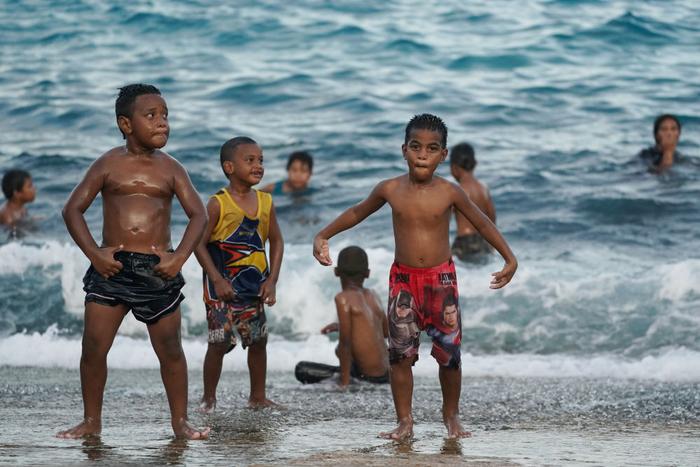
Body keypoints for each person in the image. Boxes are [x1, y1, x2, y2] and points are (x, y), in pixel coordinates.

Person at [313, 114, 517, 440]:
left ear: (443, 155)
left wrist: (509, 257)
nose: (423, 154)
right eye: (416, 147)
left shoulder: (451, 192)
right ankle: (405, 422)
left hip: (442, 281)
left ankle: (451, 416)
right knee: (400, 356)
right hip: (403, 283)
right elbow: (356, 211)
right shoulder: (390, 189)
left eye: (432, 148)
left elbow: (482, 223)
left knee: (449, 356)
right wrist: (324, 234)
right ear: (404, 150)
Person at [57, 84, 210, 440]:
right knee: (93, 347)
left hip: (158, 270)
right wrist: (95, 254)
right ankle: (91, 422)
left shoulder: (172, 169)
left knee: (171, 351)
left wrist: (178, 258)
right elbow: (72, 210)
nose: (162, 123)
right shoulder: (108, 164)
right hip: (111, 268)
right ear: (126, 124)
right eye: (152, 116)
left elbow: (199, 215)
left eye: (166, 115)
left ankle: (180, 423)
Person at [195, 136, 283, 413]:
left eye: (261, 160)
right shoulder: (217, 204)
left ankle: (257, 396)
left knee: (258, 341)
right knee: (219, 342)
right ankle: (208, 399)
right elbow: (197, 243)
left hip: (253, 288)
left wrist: (272, 280)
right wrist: (217, 280)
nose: (258, 166)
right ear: (229, 167)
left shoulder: (266, 201)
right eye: (250, 160)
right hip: (221, 291)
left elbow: (277, 241)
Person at [312, 246, 389, 386]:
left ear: (336, 272)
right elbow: (385, 332)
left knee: (303, 370)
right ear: (367, 273)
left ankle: (347, 378)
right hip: (387, 374)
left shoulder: (343, 298)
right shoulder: (374, 296)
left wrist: (344, 382)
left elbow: (345, 344)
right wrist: (341, 326)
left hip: (368, 377)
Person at [449, 142, 496, 262]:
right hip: (482, 242)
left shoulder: (458, 190)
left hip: (464, 242)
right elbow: (492, 218)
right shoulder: (483, 189)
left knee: (460, 273)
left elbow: (445, 218)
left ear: (454, 168)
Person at [0, 169, 37, 237]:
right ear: (16, 193)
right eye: (29, 186)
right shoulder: (8, 216)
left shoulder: (20, 207)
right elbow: (13, 240)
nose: (34, 189)